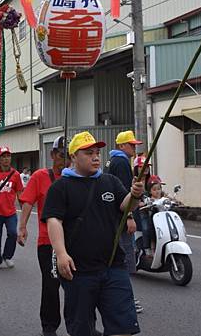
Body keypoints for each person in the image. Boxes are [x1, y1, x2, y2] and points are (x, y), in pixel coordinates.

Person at [43, 131, 143, 336]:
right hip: (79, 271)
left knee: (123, 328)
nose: (96, 157)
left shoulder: (110, 181)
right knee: (82, 330)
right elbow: (54, 220)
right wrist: (61, 254)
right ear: (73, 157)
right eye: (88, 153)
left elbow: (126, 207)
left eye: (97, 152)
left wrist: (135, 195)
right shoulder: (61, 187)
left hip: (113, 266)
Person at [17, 136, 66, 336]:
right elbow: (28, 202)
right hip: (49, 242)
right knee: (51, 284)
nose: (67, 160)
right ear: (53, 155)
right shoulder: (39, 176)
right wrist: (22, 227)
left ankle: (82, 324)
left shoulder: (79, 177)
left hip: (76, 240)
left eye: (71, 156)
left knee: (81, 285)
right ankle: (49, 326)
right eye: (63, 155)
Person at [106, 130, 143, 314]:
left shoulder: (113, 161)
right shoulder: (121, 163)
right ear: (121, 146)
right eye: (131, 144)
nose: (134, 147)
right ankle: (127, 298)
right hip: (120, 218)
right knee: (125, 259)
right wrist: (129, 217)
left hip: (111, 218)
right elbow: (122, 193)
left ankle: (118, 296)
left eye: (135, 144)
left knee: (117, 258)